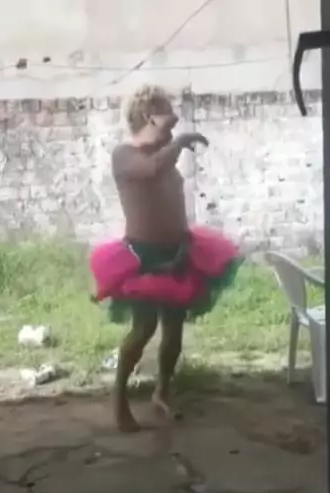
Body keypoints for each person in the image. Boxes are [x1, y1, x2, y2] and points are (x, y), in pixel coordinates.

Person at [90, 85, 242, 432]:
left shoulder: (163, 154)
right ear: (149, 117)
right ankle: (119, 401)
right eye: (167, 113)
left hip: (177, 251)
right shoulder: (125, 155)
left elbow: (170, 195)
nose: (173, 119)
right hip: (143, 258)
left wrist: (184, 240)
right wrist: (180, 141)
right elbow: (150, 169)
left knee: (173, 330)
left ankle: (162, 391)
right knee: (143, 329)